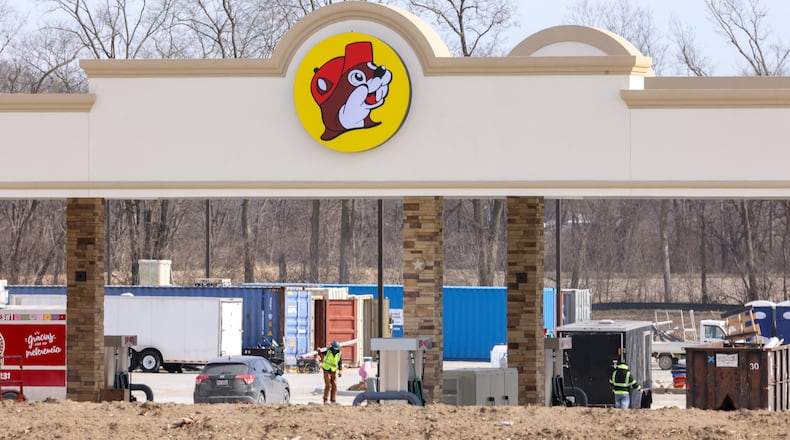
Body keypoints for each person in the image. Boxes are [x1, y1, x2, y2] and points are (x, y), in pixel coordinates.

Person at [317, 340, 343, 404]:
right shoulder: (327, 351)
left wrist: (340, 370)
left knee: (334, 386)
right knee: (328, 385)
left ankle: (333, 400)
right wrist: (319, 351)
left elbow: (340, 362)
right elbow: (320, 353)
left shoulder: (339, 353)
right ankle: (325, 400)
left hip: (333, 370)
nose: (335, 350)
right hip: (326, 369)